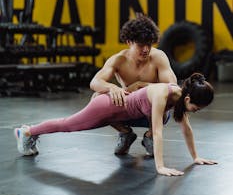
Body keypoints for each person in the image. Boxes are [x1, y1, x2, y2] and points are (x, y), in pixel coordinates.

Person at [14, 73, 217, 177]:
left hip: (123, 112)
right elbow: (157, 130)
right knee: (69, 125)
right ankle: (27, 132)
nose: (196, 111)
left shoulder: (179, 98)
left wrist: (196, 157)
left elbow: (186, 128)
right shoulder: (163, 94)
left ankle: (126, 135)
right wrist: (161, 167)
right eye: (197, 108)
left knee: (163, 118)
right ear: (188, 98)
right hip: (106, 107)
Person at [90, 13, 177, 156]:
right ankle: (125, 133)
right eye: (141, 45)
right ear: (129, 42)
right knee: (96, 98)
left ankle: (150, 136)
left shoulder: (158, 57)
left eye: (148, 44)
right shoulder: (118, 60)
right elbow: (95, 82)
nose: (146, 49)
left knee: (164, 99)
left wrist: (142, 85)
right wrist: (112, 87)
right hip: (128, 109)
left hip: (153, 113)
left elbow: (173, 87)